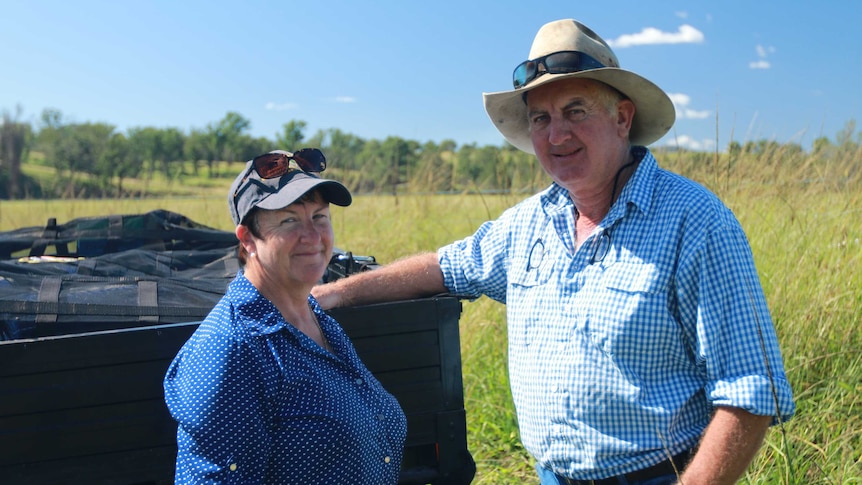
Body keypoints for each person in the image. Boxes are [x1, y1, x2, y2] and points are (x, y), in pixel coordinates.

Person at [313, 19, 795, 485]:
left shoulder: (696, 222)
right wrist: (330, 297)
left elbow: (752, 392)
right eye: (540, 118)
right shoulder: (528, 224)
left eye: (576, 110)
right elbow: (444, 267)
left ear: (622, 117)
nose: (556, 135)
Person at [164, 149, 407, 484]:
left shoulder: (315, 318)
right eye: (289, 220)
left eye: (319, 217)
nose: (312, 237)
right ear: (248, 239)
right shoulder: (230, 351)